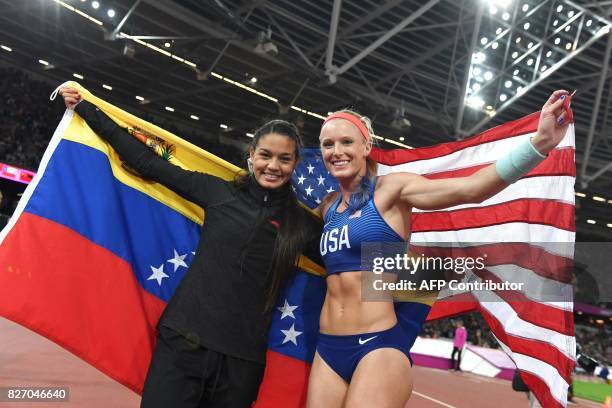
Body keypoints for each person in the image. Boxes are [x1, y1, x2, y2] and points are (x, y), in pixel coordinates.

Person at [307, 90, 573, 408]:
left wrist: (539, 144)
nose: (337, 151)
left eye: (347, 142)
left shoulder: (392, 190)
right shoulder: (326, 208)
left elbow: (470, 189)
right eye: (328, 144)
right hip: (327, 347)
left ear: (366, 147)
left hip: (376, 346)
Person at [59, 87, 321, 408]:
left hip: (241, 364)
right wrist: (88, 109)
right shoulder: (218, 192)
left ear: (295, 164)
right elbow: (147, 162)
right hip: (183, 343)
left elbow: (350, 257)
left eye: (284, 159)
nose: (273, 166)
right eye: (266, 155)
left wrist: (399, 264)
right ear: (251, 154)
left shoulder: (302, 226)